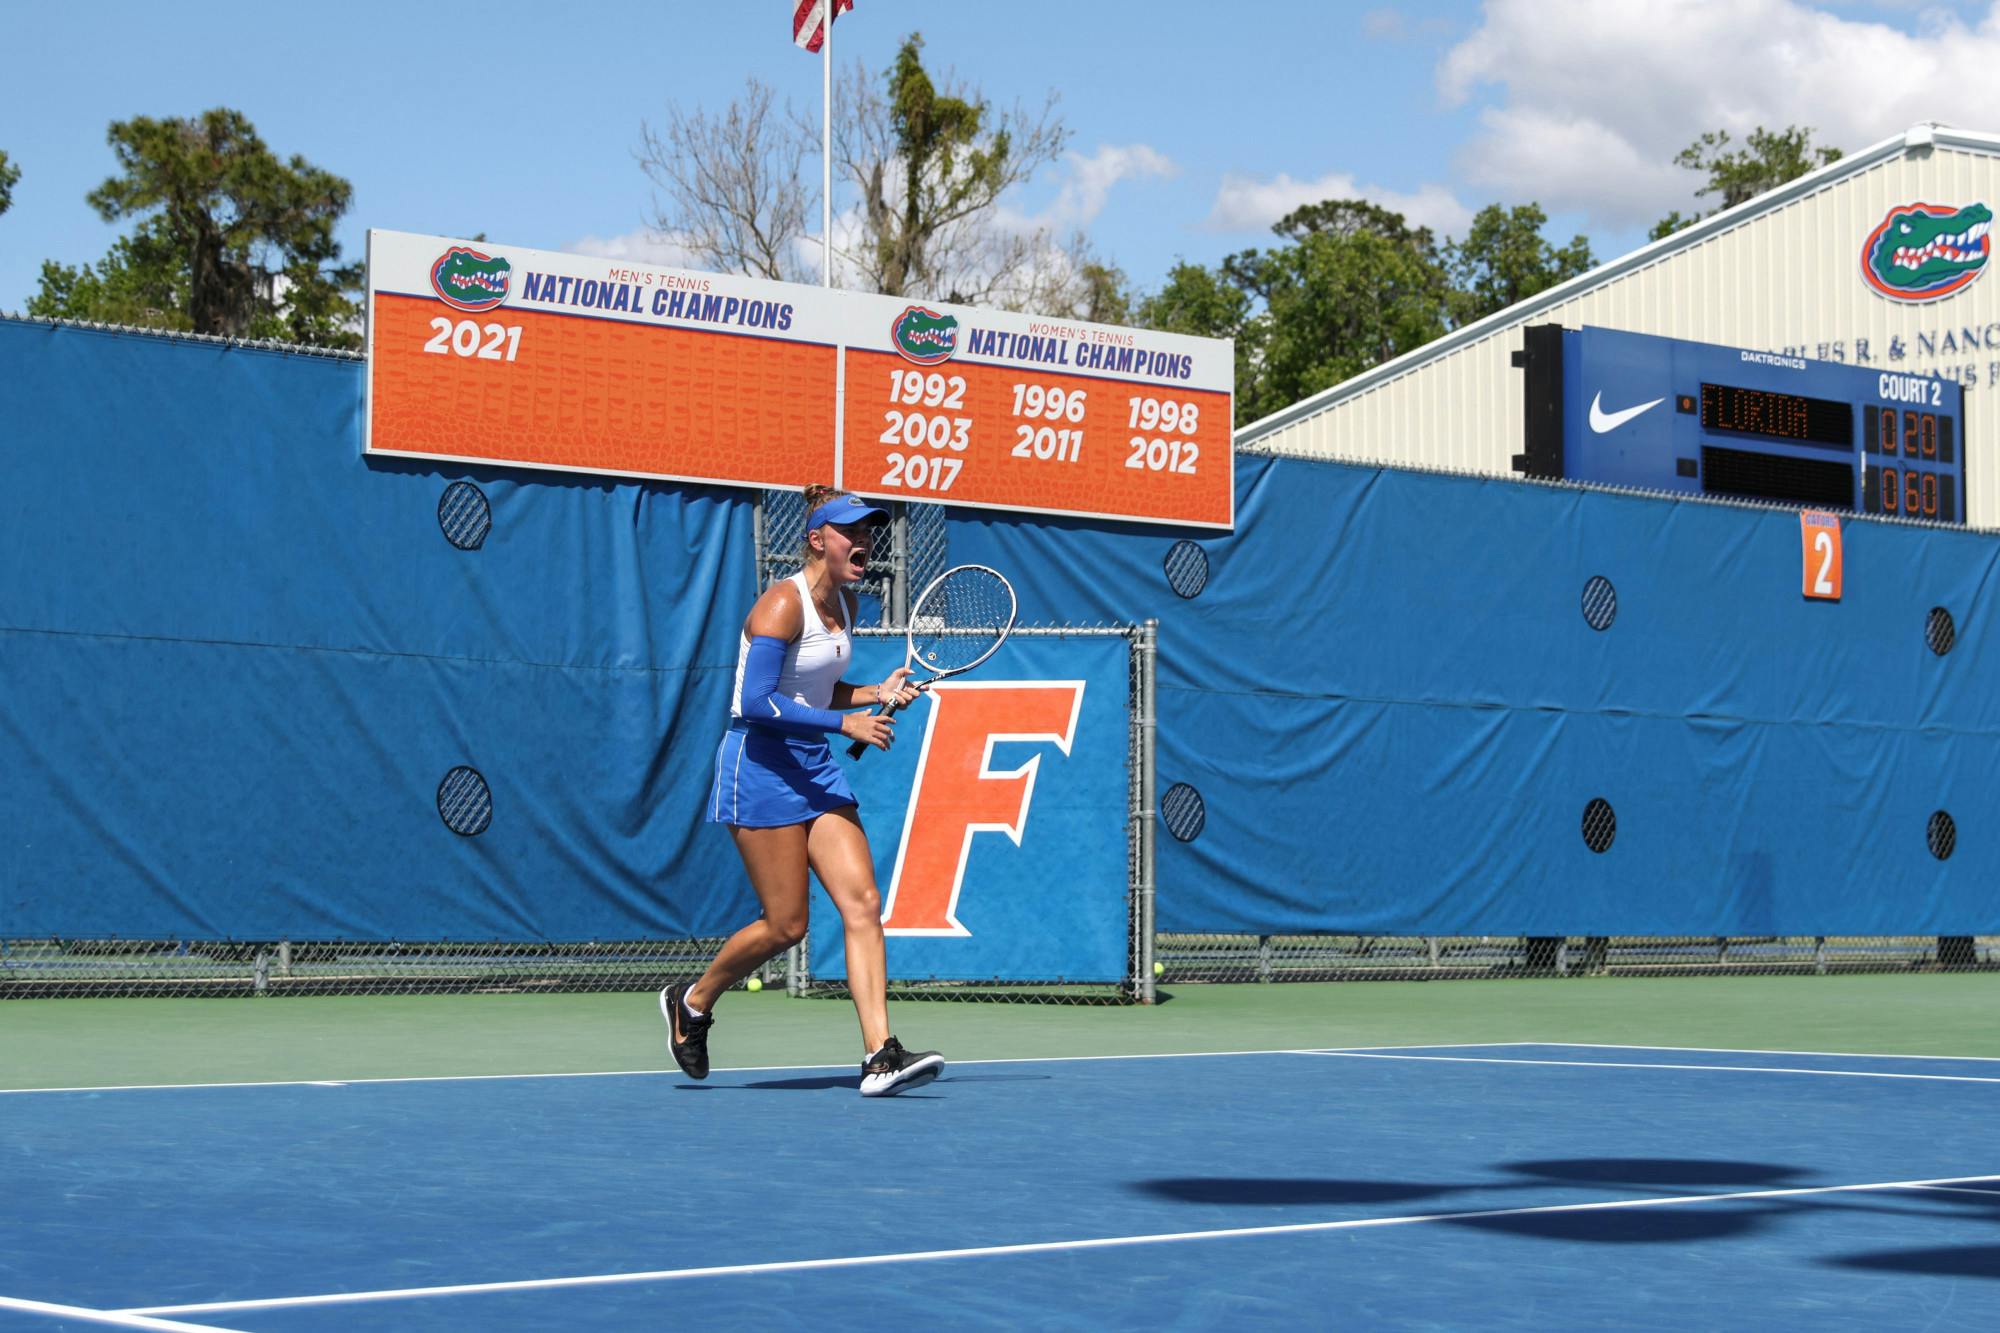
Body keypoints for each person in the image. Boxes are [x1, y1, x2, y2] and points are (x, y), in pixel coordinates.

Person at [661, 485, 945, 1097]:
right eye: (852, 531)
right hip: (759, 764)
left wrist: (871, 693)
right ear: (818, 539)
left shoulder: (849, 603)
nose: (866, 540)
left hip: (813, 766)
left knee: (863, 902)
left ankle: (880, 1055)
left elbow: (814, 692)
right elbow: (757, 701)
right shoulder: (779, 607)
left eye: (871, 531)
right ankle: (692, 1001)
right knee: (785, 925)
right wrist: (846, 723)